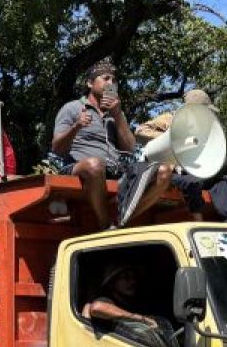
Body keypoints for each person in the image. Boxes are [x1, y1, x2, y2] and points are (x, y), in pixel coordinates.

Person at [51, 60, 172, 229]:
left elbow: (130, 149)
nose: (111, 83)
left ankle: (123, 219)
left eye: (114, 81)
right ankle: (104, 223)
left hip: (115, 170)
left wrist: (118, 115)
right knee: (95, 164)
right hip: (79, 168)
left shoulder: (115, 114)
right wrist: (76, 127)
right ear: (90, 83)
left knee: (164, 170)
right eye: (106, 78)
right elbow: (57, 148)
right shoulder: (72, 108)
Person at [135, 89, 227, 223]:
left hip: (189, 172)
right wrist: (173, 137)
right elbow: (140, 131)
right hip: (167, 171)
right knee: (192, 183)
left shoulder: (205, 128)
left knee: (219, 182)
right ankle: (199, 221)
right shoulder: (170, 119)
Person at [82, 264, 178, 347]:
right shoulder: (108, 300)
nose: (132, 282)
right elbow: (97, 308)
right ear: (112, 283)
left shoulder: (136, 303)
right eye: (126, 277)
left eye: (133, 277)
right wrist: (138, 318)